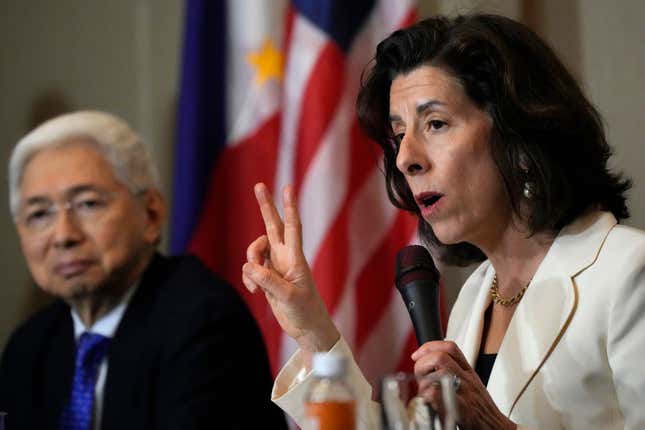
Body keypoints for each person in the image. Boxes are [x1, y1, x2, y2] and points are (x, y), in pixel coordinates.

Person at [242, 13, 645, 430]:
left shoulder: (628, 272)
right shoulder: (473, 299)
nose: (404, 158)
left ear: (521, 137)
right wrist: (311, 329)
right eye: (399, 135)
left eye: (435, 123)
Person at [0, 111, 287, 430]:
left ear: (151, 214)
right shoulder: (29, 347)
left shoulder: (203, 322)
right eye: (40, 214)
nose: (64, 235)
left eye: (88, 204)